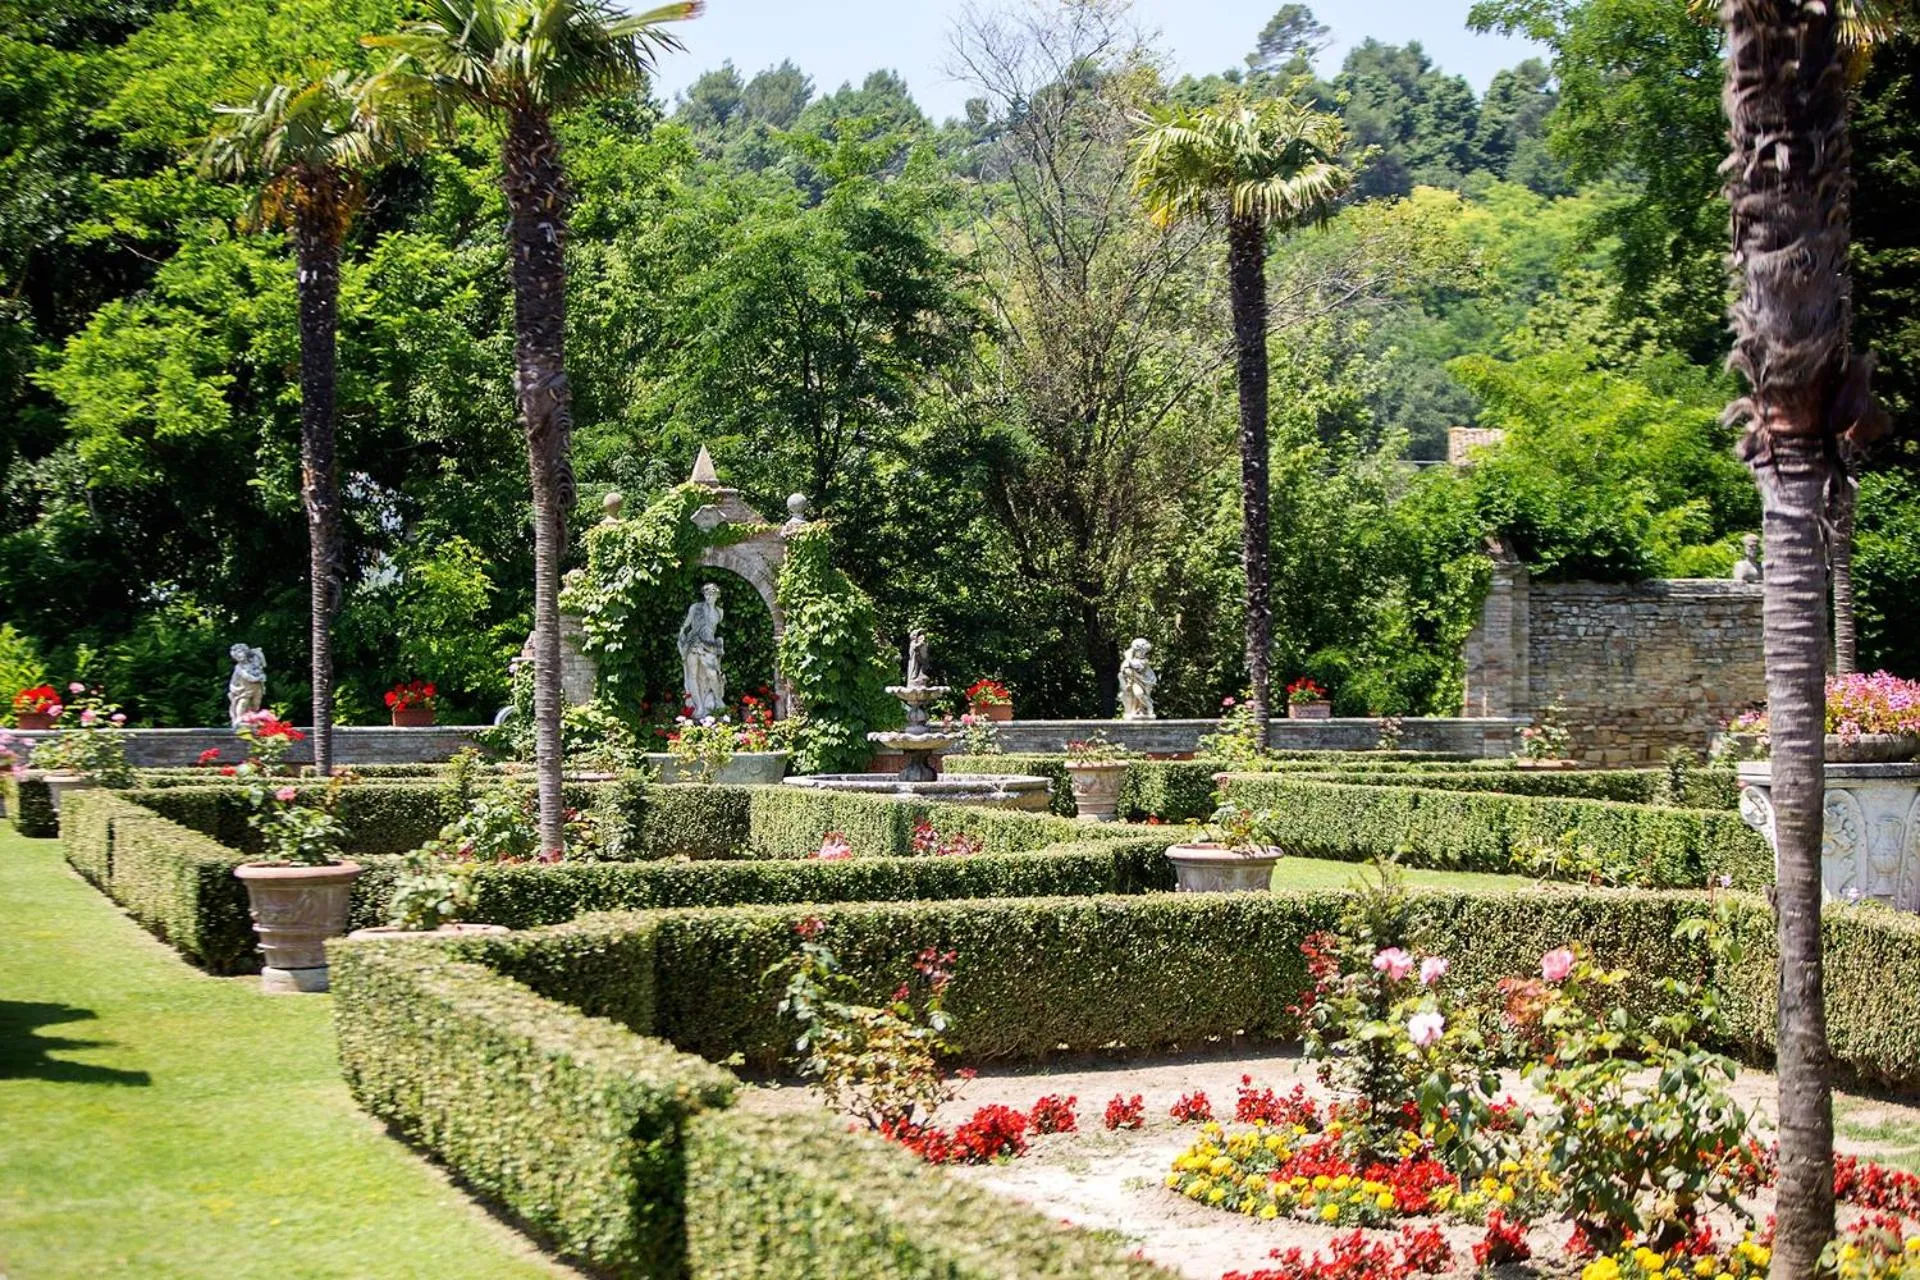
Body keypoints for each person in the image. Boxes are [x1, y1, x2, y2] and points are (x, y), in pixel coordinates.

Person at [678, 583, 726, 719]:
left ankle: (718, 700)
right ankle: (698, 706)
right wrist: (682, 633)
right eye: (706, 593)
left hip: (709, 645)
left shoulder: (719, 612)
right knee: (692, 675)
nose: (709, 596)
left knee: (712, 674)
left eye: (711, 593)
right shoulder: (696, 607)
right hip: (693, 643)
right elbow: (687, 623)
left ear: (717, 595)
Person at [227, 644, 266, 727]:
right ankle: (239, 718)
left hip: (257, 687)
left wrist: (259, 654)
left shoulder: (254, 662)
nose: (238, 656)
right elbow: (247, 677)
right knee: (243, 702)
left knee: (256, 704)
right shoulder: (239, 667)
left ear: (246, 652)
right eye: (235, 655)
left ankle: (251, 717)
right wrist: (258, 678)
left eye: (240, 652)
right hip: (244, 688)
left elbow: (263, 664)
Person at [1118, 638, 1157, 720]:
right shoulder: (1130, 660)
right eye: (1139, 651)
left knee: (1141, 696)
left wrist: (1128, 657)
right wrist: (1126, 670)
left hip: (1145, 682)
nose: (1142, 653)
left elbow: (1136, 666)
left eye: (1143, 652)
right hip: (1135, 682)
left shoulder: (1144, 661)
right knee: (1138, 694)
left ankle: (1147, 707)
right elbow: (1123, 668)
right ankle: (1136, 710)